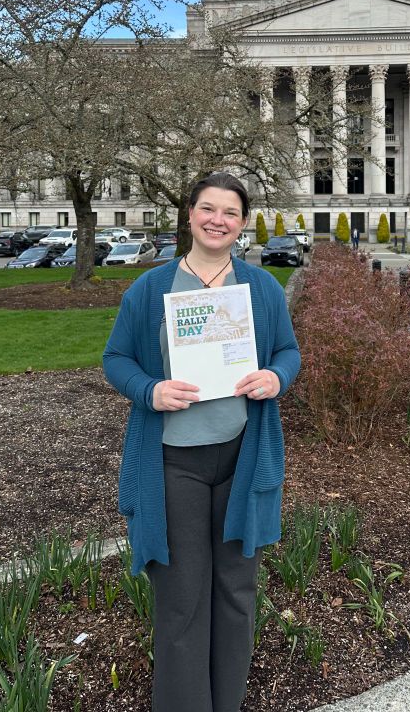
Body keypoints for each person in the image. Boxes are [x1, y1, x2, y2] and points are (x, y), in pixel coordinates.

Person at [103, 172, 301, 712]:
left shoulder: (260, 288)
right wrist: (150, 390)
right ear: (189, 214)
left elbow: (287, 351)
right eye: (208, 209)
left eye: (230, 212)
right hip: (173, 463)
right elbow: (115, 359)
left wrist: (276, 378)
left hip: (242, 459)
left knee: (236, 595)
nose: (218, 220)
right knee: (181, 600)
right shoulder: (151, 289)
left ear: (242, 223)